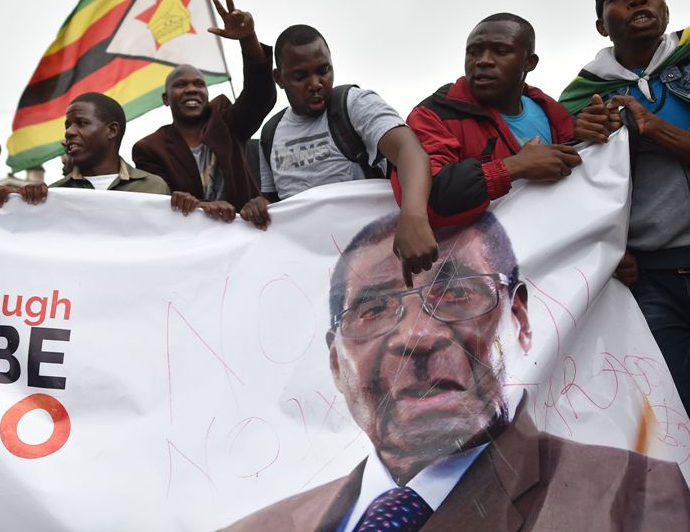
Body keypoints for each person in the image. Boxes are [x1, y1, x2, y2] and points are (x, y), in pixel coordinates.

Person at [224, 212, 690, 531]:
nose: (418, 337)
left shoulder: (632, 495)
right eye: (374, 307)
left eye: (457, 293)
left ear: (520, 318)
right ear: (335, 363)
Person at [561, 0, 690, 409]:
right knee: (673, 412)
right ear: (602, 25)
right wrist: (579, 136)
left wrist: (652, 128)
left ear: (666, 8)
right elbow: (569, 197)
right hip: (649, 279)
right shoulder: (578, 98)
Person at [240, 24, 437, 284]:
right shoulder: (271, 132)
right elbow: (275, 205)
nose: (315, 84)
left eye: (323, 71)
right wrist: (258, 207)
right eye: (300, 76)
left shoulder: (354, 104)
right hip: (310, 276)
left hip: (377, 265)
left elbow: (409, 150)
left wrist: (414, 216)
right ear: (279, 78)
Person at [396, 13, 580, 227]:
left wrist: (595, 134)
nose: (483, 61)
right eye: (473, 52)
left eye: (501, 51)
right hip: (482, 257)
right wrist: (515, 166)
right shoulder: (434, 115)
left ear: (529, 62)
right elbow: (428, 199)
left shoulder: (552, 113)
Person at [133, 0, 276, 221]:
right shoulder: (149, 149)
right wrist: (200, 207)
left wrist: (248, 39)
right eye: (181, 85)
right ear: (166, 99)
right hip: (190, 244)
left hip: (246, 235)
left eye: (199, 85)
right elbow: (158, 204)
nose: (192, 89)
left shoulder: (226, 120)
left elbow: (260, 96)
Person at [0, 92, 169, 206]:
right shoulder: (53, 196)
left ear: (112, 130)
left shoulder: (154, 189)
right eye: (67, 125)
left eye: (82, 123)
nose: (69, 132)